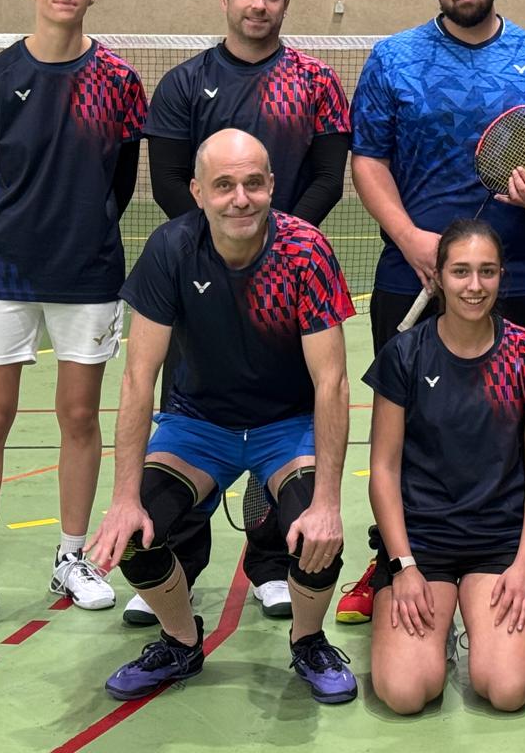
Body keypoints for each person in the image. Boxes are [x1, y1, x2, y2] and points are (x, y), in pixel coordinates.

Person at [340, 0, 525, 624]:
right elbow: (368, 159)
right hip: (412, 275)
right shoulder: (392, 59)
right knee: (409, 431)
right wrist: (410, 238)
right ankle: (395, 556)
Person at [87, 129, 357, 704]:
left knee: (315, 533)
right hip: (197, 426)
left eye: (253, 183)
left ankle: (309, 641)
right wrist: (124, 497)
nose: (240, 198)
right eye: (224, 185)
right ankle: (180, 643)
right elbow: (137, 380)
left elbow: (332, 383)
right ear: (198, 191)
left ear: (272, 186)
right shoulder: (171, 249)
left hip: (286, 425)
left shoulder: (305, 251)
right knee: (134, 536)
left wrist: (329, 503)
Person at [125, 0, 351, 629]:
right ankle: (176, 567)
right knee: (199, 415)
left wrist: (275, 246)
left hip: (287, 277)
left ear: (285, 2)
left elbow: (327, 177)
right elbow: (170, 181)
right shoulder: (184, 83)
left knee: (283, 420)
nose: (259, 3)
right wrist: (220, 248)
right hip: (202, 278)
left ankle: (273, 565)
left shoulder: (316, 81)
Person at [0, 0, 146, 635]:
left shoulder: (118, 83)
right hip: (0, 272)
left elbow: (120, 181)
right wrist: (17, 232)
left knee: (80, 417)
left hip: (87, 273)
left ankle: (72, 557)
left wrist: (83, 230)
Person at [364, 219, 525, 714]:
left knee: (509, 690)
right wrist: (402, 565)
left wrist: (524, 564)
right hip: (422, 541)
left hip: (499, 541)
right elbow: (383, 469)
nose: (475, 285)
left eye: (487, 271)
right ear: (438, 277)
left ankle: (477, 629)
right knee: (405, 693)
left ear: (501, 276)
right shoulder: (405, 355)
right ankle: (434, 637)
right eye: (461, 271)